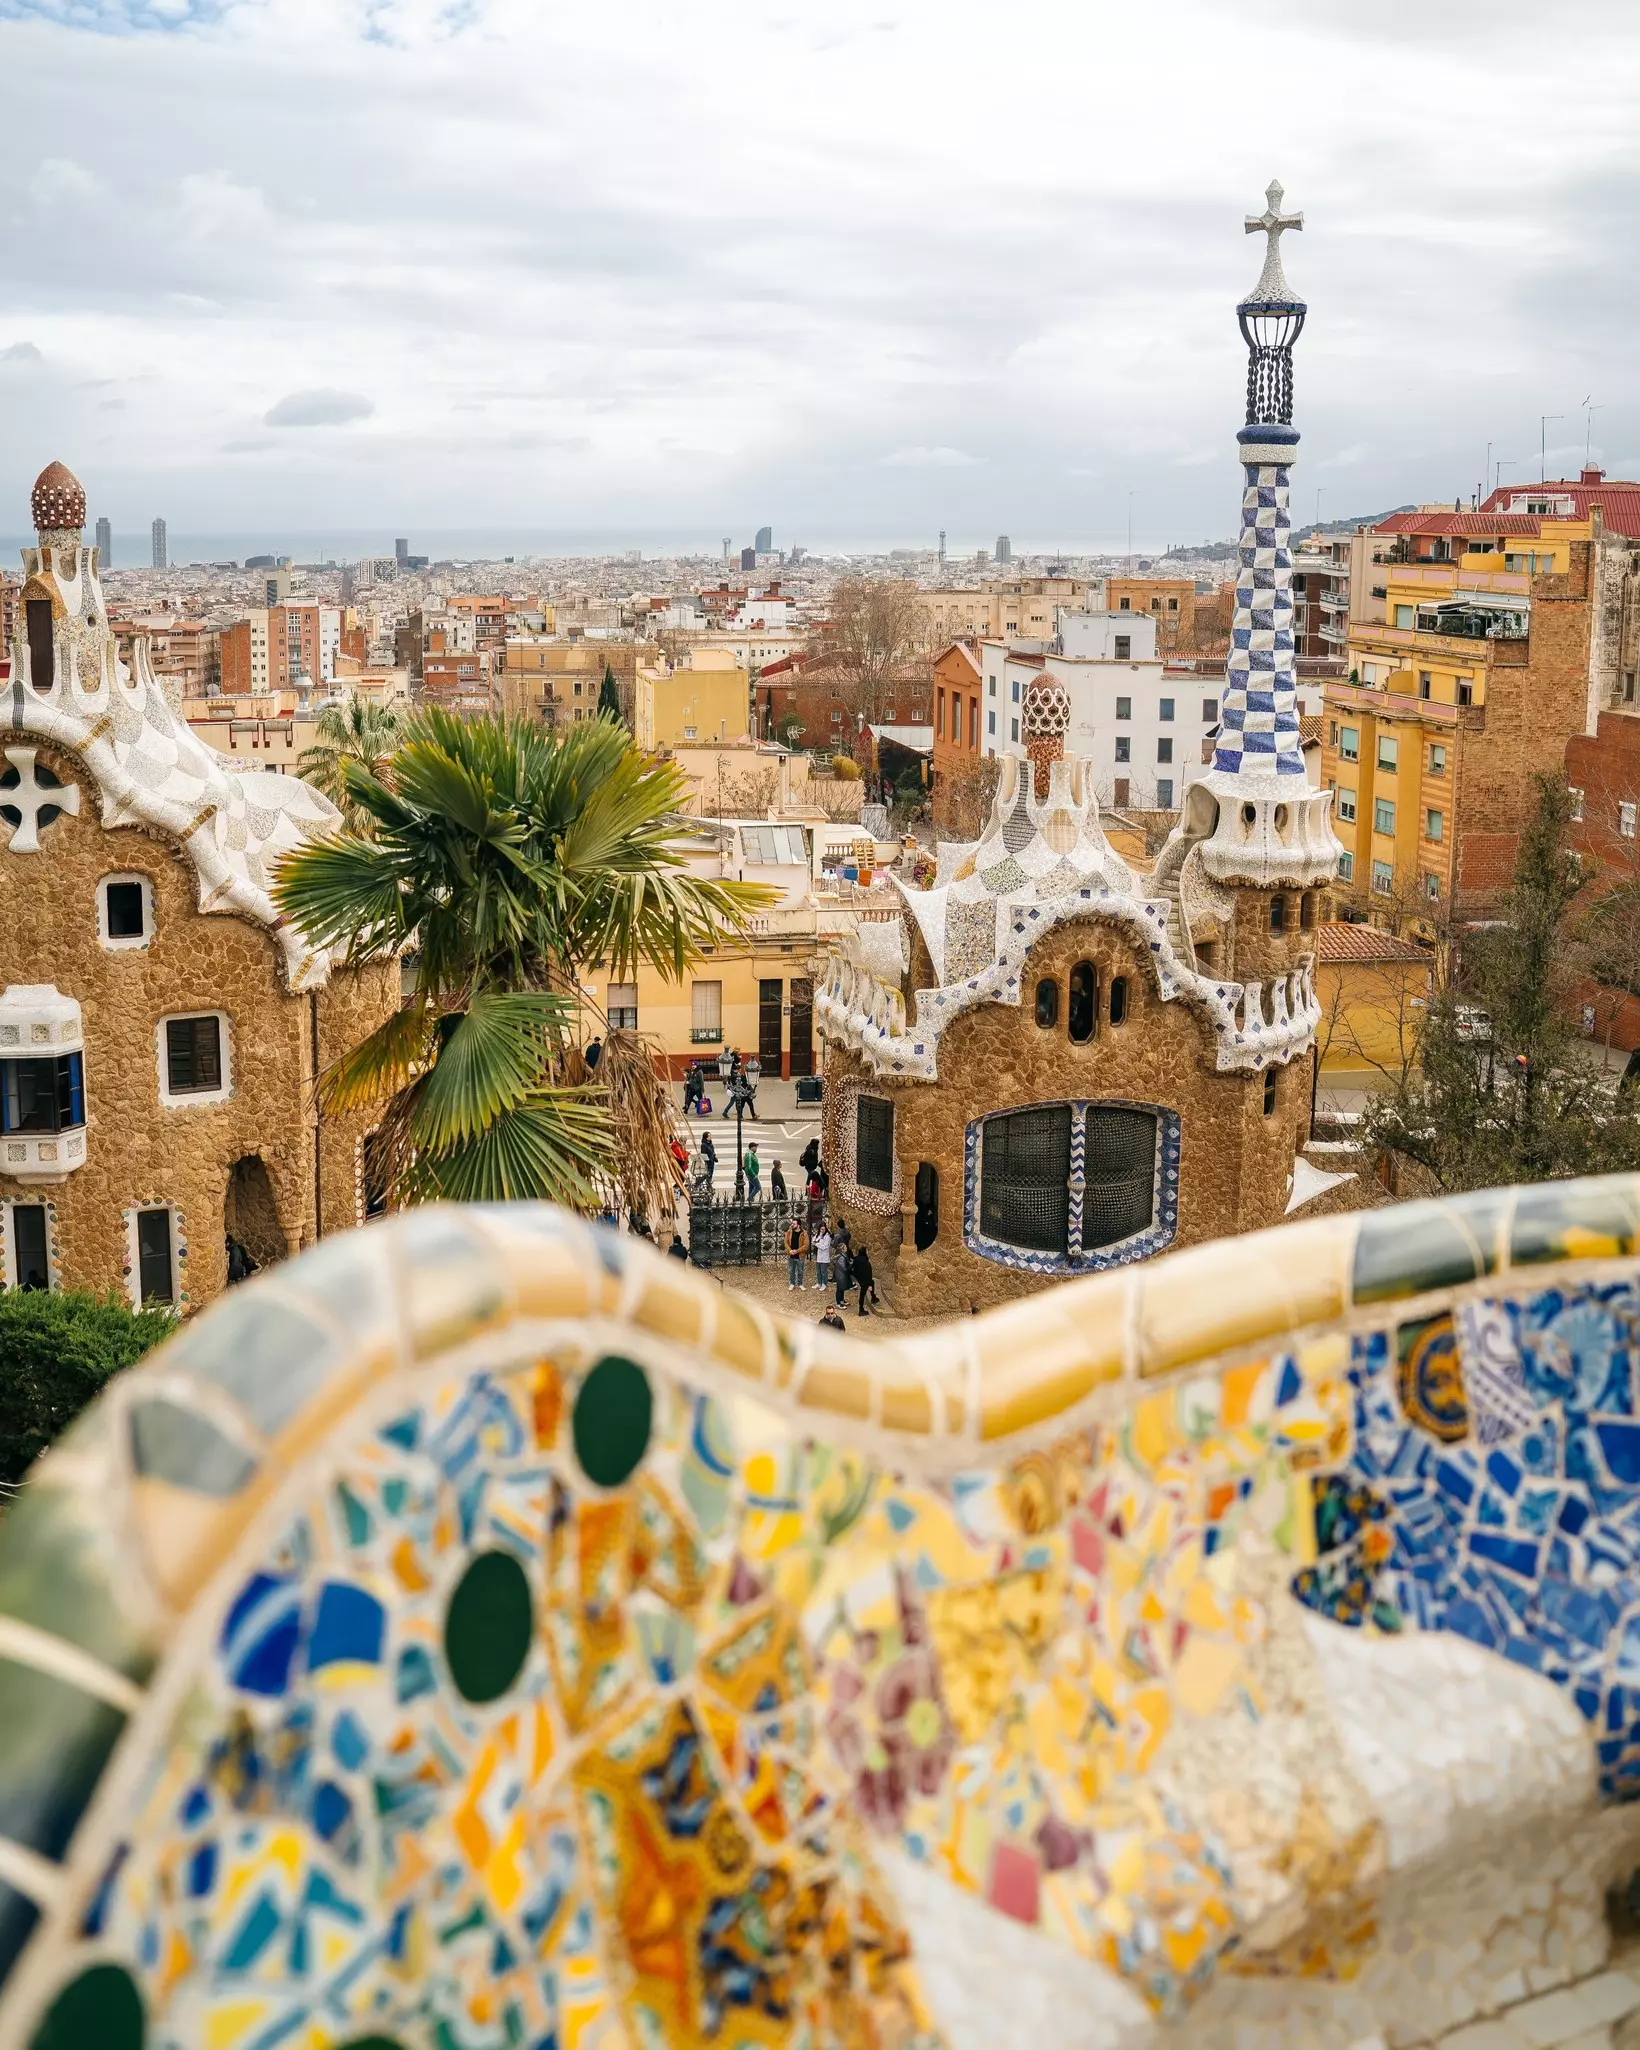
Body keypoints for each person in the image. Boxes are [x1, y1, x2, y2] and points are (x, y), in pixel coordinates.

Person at [783, 1214, 808, 1289]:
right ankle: (792, 1283)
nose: (792, 1225)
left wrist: (797, 1251)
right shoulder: (789, 1231)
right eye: (792, 1223)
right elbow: (785, 1242)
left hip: (800, 1256)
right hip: (791, 1255)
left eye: (794, 1224)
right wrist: (789, 1250)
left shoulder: (804, 1233)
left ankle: (800, 1284)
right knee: (791, 1271)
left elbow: (806, 1246)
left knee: (800, 1271)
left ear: (798, 1225)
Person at [853, 1243, 876, 1317]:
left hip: (860, 1278)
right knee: (862, 1294)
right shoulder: (866, 1262)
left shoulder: (856, 1259)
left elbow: (854, 1269)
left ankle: (873, 1297)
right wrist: (868, 1284)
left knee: (872, 1282)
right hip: (865, 1280)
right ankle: (861, 1310)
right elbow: (869, 1273)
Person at [832, 1237, 852, 1309]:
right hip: (841, 1276)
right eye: (845, 1247)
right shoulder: (841, 1257)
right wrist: (851, 1266)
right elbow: (844, 1268)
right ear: (842, 1248)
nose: (846, 1247)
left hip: (841, 1275)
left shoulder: (841, 1255)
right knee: (839, 1289)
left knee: (841, 1289)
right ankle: (838, 1303)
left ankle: (842, 1300)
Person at [812, 1222, 832, 1290]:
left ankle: (824, 1284)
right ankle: (819, 1283)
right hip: (819, 1256)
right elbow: (813, 1240)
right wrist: (818, 1239)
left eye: (824, 1229)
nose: (822, 1230)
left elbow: (824, 1247)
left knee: (823, 1271)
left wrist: (817, 1244)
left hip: (824, 1257)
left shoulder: (827, 1237)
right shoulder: (818, 1235)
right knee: (818, 1271)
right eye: (821, 1229)